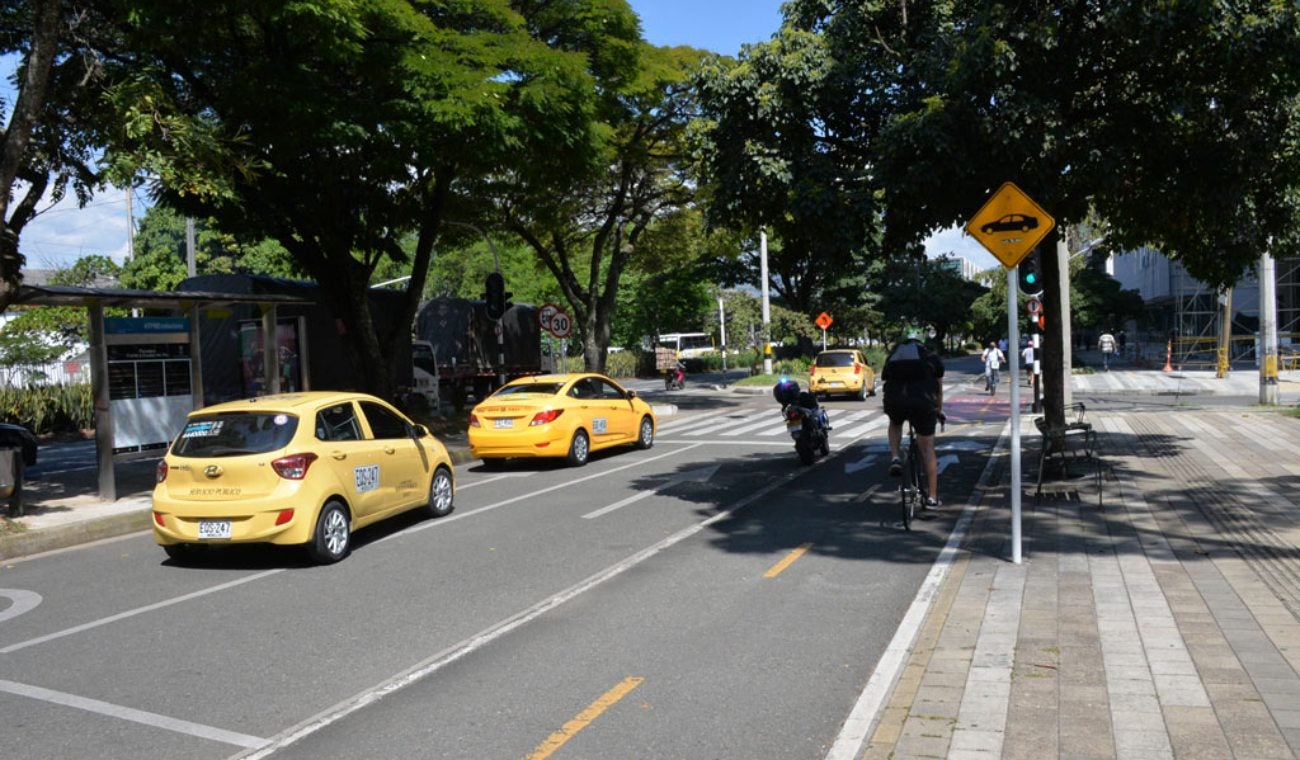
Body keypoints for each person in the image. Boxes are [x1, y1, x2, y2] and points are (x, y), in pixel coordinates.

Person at [883, 328, 946, 509]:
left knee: (895, 423)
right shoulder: (931, 357)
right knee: (927, 449)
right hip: (923, 403)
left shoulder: (894, 356)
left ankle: (895, 457)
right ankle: (932, 497)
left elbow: (885, 378)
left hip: (896, 401)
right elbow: (939, 388)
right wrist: (938, 409)